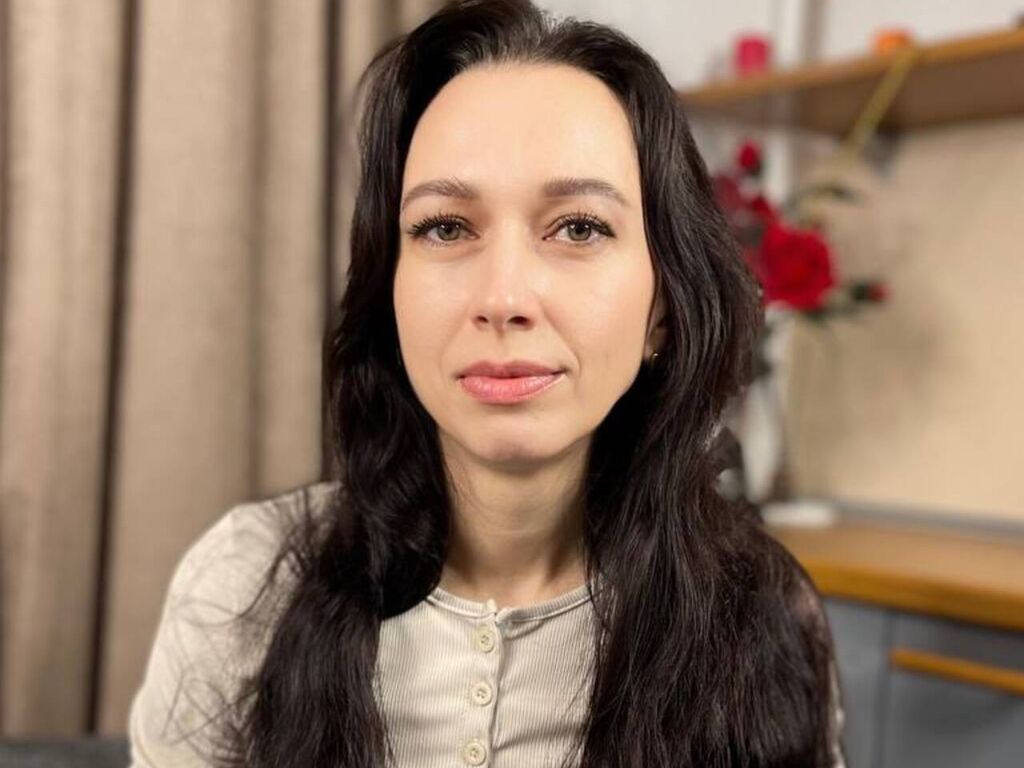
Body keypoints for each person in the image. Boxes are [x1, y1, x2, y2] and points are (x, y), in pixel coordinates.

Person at [127, 1, 848, 766]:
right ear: (389, 291)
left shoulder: (762, 618)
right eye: (445, 227)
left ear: (662, 312)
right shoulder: (245, 584)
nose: (503, 298)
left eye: (578, 228)